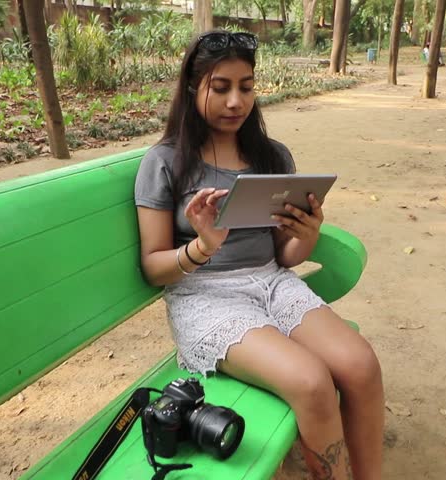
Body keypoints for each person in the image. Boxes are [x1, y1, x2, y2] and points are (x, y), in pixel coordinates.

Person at [133, 30, 384, 480]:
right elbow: (154, 267)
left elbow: (285, 256)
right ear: (192, 88)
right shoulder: (166, 162)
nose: (236, 102)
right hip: (205, 298)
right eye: (220, 87)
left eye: (246, 87)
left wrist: (307, 232)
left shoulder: (272, 157)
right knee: (312, 383)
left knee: (361, 366)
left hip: (271, 283)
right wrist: (201, 247)